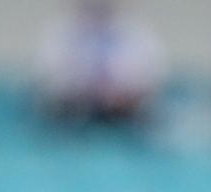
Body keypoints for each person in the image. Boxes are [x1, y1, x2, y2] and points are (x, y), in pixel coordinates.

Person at [34, 0, 164, 125]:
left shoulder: (137, 34)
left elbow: (150, 83)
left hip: (125, 113)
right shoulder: (61, 34)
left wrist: (120, 94)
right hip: (73, 113)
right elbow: (47, 82)